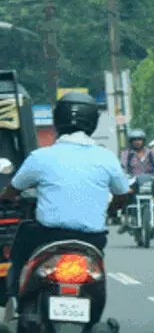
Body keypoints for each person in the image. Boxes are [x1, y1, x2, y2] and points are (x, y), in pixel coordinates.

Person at [0, 92, 130, 312]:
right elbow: (123, 194)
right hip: (92, 239)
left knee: (22, 239)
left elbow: (13, 189)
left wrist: (8, 198)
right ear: (93, 123)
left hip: (48, 236)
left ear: (57, 121)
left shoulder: (41, 157)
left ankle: (13, 297)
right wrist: (111, 208)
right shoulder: (107, 158)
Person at [119, 129, 154, 231]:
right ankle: (125, 219)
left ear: (143, 141)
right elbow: (123, 166)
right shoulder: (127, 153)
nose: (137, 142)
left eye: (139, 139)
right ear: (131, 142)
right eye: (134, 139)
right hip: (133, 180)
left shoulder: (150, 153)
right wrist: (123, 174)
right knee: (126, 194)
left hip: (149, 179)